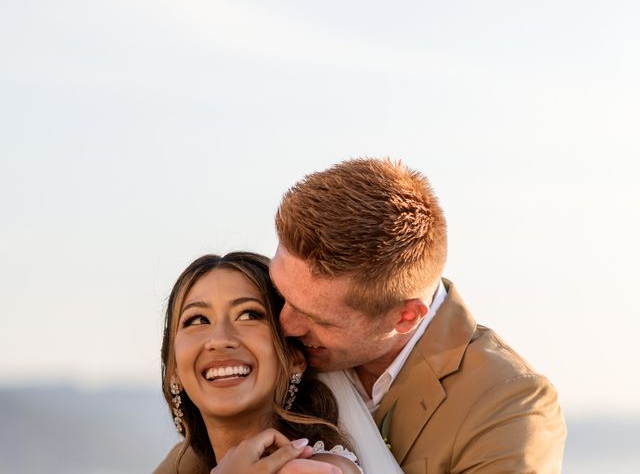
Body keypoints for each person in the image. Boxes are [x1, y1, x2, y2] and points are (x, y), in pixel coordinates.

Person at [158, 158, 567, 473]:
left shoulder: (507, 403)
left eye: (316, 317)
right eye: (282, 296)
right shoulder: (280, 360)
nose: (286, 326)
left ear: (405, 318)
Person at [154, 252, 366, 474]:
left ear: (294, 357)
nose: (220, 340)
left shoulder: (314, 468)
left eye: (248, 315)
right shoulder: (179, 466)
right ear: (174, 369)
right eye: (198, 320)